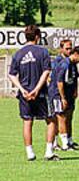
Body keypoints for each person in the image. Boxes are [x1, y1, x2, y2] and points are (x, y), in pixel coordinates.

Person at [8, 25, 58, 161]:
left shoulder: (18, 54)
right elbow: (46, 71)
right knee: (51, 120)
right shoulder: (43, 52)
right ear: (37, 36)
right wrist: (36, 89)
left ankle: (30, 152)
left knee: (27, 121)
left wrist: (23, 89)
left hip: (25, 94)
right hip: (41, 93)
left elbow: (12, 75)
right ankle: (49, 151)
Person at [49, 46, 79, 150]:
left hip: (69, 95)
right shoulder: (64, 64)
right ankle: (64, 144)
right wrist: (63, 98)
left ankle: (69, 141)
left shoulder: (73, 64)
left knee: (68, 117)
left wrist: (75, 90)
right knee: (61, 117)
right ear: (76, 54)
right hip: (58, 94)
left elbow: (75, 78)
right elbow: (59, 82)